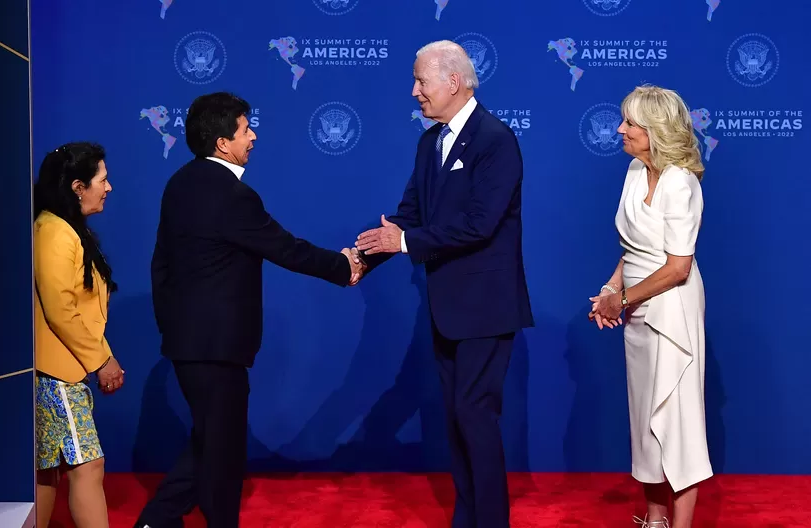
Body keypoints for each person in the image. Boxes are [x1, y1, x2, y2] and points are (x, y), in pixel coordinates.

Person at [135, 92, 363, 528]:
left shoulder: (180, 183)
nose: (253, 136)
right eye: (245, 129)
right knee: (221, 449)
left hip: (188, 343)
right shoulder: (231, 193)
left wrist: (174, 328)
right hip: (217, 346)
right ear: (223, 142)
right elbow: (284, 247)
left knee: (213, 440)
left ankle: (157, 520)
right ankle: (168, 519)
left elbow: (160, 264)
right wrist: (343, 267)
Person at [354, 40, 533, 528]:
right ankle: (467, 517)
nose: (414, 91)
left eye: (420, 81)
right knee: (457, 420)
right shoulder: (428, 141)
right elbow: (407, 218)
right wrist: (360, 259)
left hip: (485, 306)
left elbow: (480, 224)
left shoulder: (496, 139)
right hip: (446, 307)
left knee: (474, 416)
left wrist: (403, 241)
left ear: (452, 81)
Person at [588, 85, 712, 528]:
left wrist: (618, 300)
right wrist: (612, 286)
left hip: (671, 311)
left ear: (655, 130)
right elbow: (634, 246)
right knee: (646, 421)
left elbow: (678, 267)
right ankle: (654, 521)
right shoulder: (634, 172)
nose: (619, 129)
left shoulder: (680, 182)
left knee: (677, 424)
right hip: (638, 311)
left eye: (630, 123)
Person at [32, 142, 125, 528]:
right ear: (76, 186)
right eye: (102, 180)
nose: (109, 187)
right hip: (57, 375)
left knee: (47, 471)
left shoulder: (64, 229)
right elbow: (60, 310)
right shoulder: (54, 232)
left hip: (59, 371)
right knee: (89, 464)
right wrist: (102, 360)